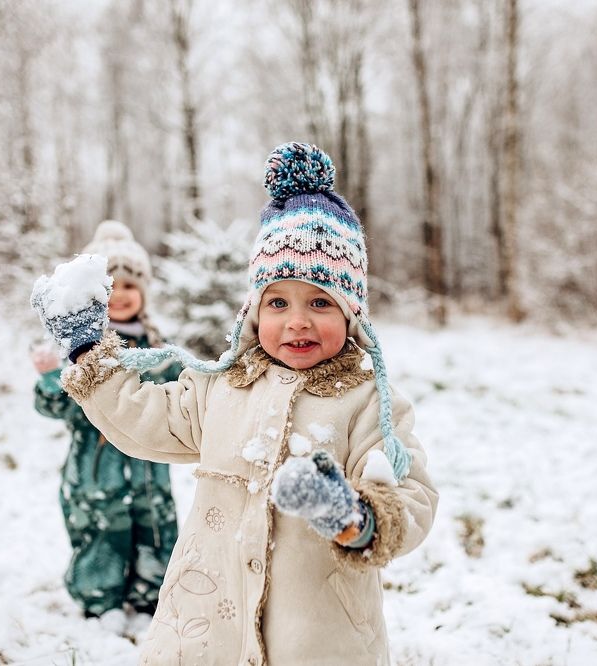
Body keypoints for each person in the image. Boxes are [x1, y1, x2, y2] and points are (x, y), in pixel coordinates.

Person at [31, 143, 438, 664]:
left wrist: (353, 516)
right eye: (277, 302)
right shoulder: (222, 386)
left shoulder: (368, 402)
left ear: (353, 314)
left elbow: (411, 494)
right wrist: (90, 353)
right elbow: (143, 418)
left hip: (318, 642)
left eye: (320, 302)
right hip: (207, 628)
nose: (297, 320)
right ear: (252, 311)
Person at [31, 220, 181, 625]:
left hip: (149, 471)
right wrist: (49, 376)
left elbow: (178, 399)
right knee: (101, 534)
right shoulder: (79, 350)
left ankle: (151, 597)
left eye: (131, 286)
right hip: (97, 473)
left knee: (154, 529)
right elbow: (57, 406)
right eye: (112, 288)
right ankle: (101, 602)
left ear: (144, 293)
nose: (122, 296)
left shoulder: (159, 350)